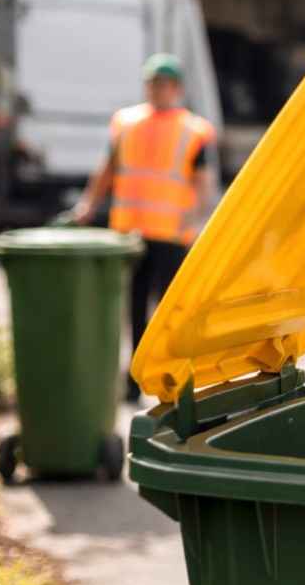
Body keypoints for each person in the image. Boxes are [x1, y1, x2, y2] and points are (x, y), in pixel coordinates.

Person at [74, 53, 216, 402]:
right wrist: (88, 204)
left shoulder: (193, 130)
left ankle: (172, 377)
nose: (158, 90)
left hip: (171, 234)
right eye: (153, 83)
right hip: (131, 234)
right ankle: (134, 378)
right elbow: (107, 168)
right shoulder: (126, 122)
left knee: (169, 313)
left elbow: (203, 182)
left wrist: (197, 219)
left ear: (178, 89)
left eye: (164, 84)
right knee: (134, 310)